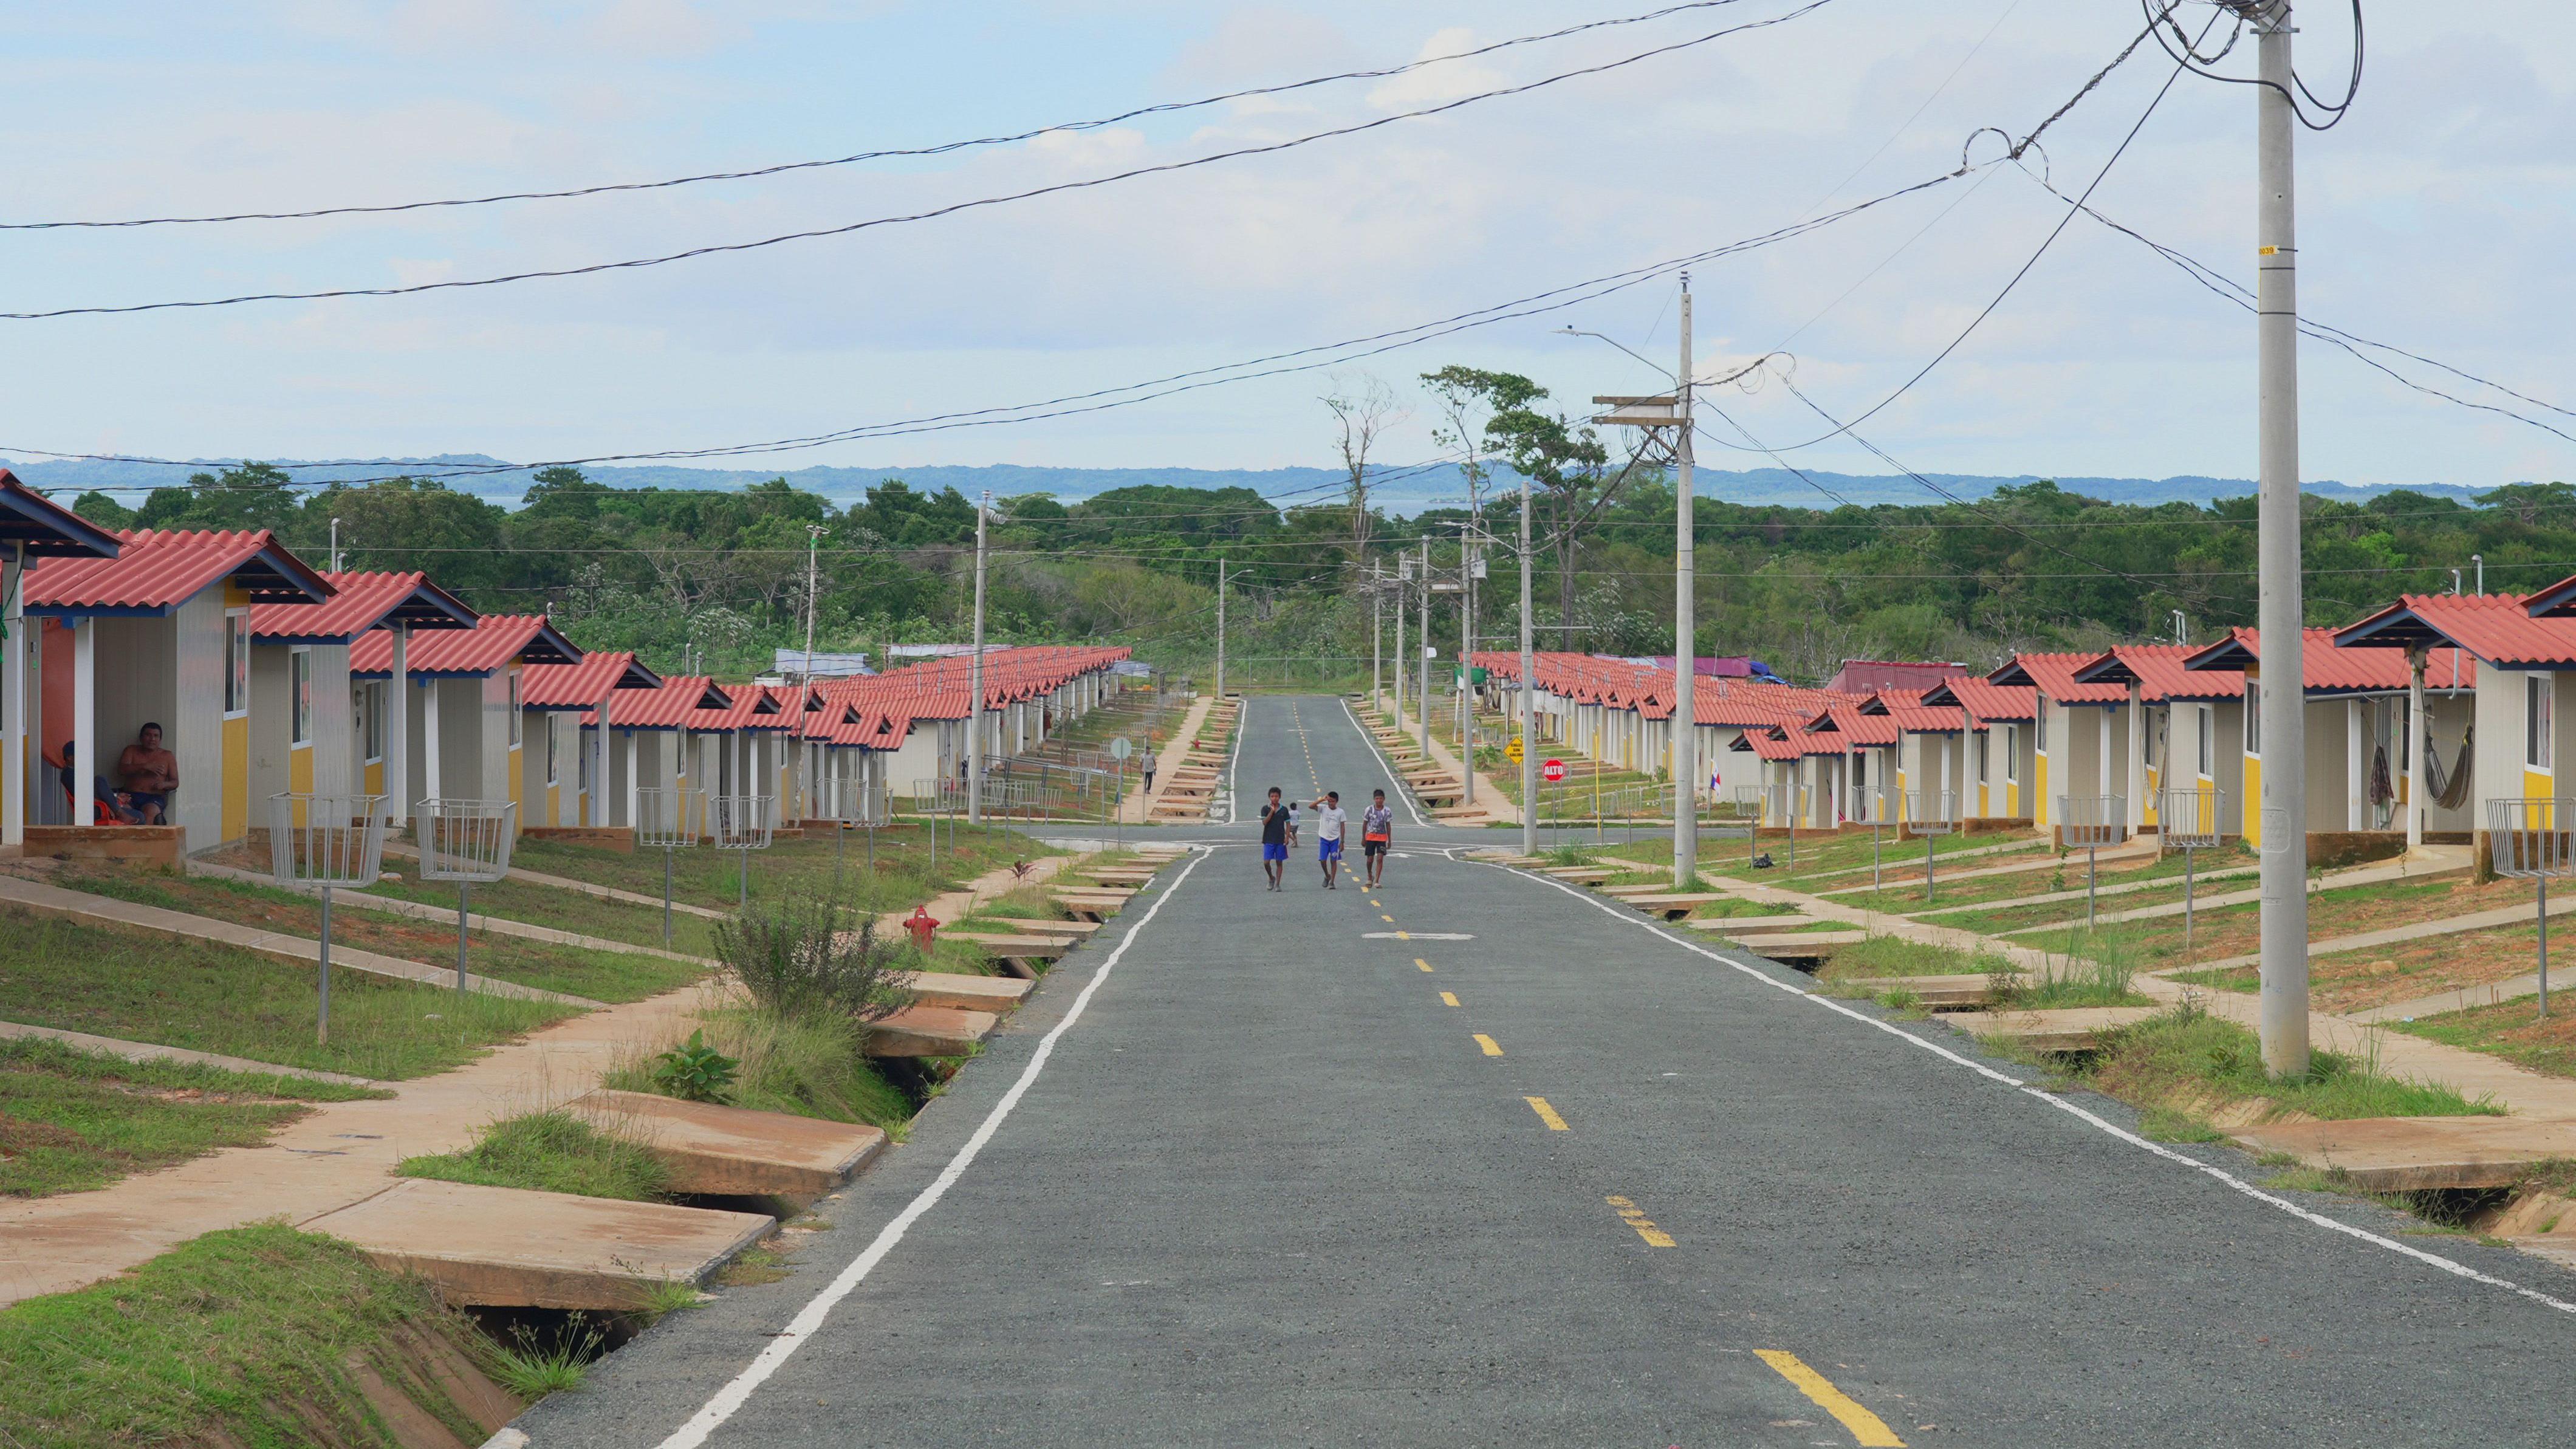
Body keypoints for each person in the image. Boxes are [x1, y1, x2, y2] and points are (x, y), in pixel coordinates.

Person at [58, 742, 144, 825]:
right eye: (80, 754)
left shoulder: (77, 772)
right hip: (92, 810)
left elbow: (97, 791)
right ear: (69, 757)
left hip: (100, 806)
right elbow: (83, 797)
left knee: (138, 814)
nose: (84, 757)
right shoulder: (68, 775)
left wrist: (116, 797)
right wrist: (110, 807)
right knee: (140, 817)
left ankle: (119, 812)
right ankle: (120, 813)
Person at [117, 722, 177, 825]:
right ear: (141, 738)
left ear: (160, 739)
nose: (152, 739)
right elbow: (121, 770)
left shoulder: (167, 756)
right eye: (148, 735)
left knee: (150, 812)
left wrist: (164, 785)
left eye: (156, 736)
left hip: (154, 797)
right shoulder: (131, 750)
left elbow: (175, 782)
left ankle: (145, 841)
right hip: (130, 795)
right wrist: (144, 766)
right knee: (123, 810)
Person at [1310, 790, 1347, 889]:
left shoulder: (1340, 812)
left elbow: (1343, 827)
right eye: (1329, 801)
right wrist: (1322, 800)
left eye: (1333, 801)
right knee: (1322, 860)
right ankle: (1327, 875)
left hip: (1335, 839)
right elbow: (1311, 806)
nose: (1331, 803)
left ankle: (1332, 882)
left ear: (1337, 801)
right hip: (1324, 839)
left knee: (1333, 860)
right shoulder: (1323, 808)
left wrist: (1342, 842)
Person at [1256, 786, 1291, 891]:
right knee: (1266, 862)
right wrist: (1271, 812)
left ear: (1280, 797)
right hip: (1268, 839)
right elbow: (1264, 822)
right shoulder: (1265, 809)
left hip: (1280, 839)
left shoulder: (1284, 810)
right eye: (1272, 796)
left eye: (1276, 796)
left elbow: (1288, 823)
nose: (1274, 798)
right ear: (1269, 797)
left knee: (1279, 862)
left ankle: (1278, 884)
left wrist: (1287, 836)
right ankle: (1271, 878)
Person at [1360, 789, 1394, 889]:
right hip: (1371, 836)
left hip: (1382, 837)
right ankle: (1370, 875)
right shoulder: (1369, 810)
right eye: (1377, 799)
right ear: (1374, 799)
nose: (1379, 801)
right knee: (1370, 860)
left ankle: (1377, 880)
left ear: (1384, 799)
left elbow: (1388, 825)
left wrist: (1389, 840)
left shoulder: (1387, 811)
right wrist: (1363, 837)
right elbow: (1365, 823)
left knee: (1380, 858)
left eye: (1381, 799)